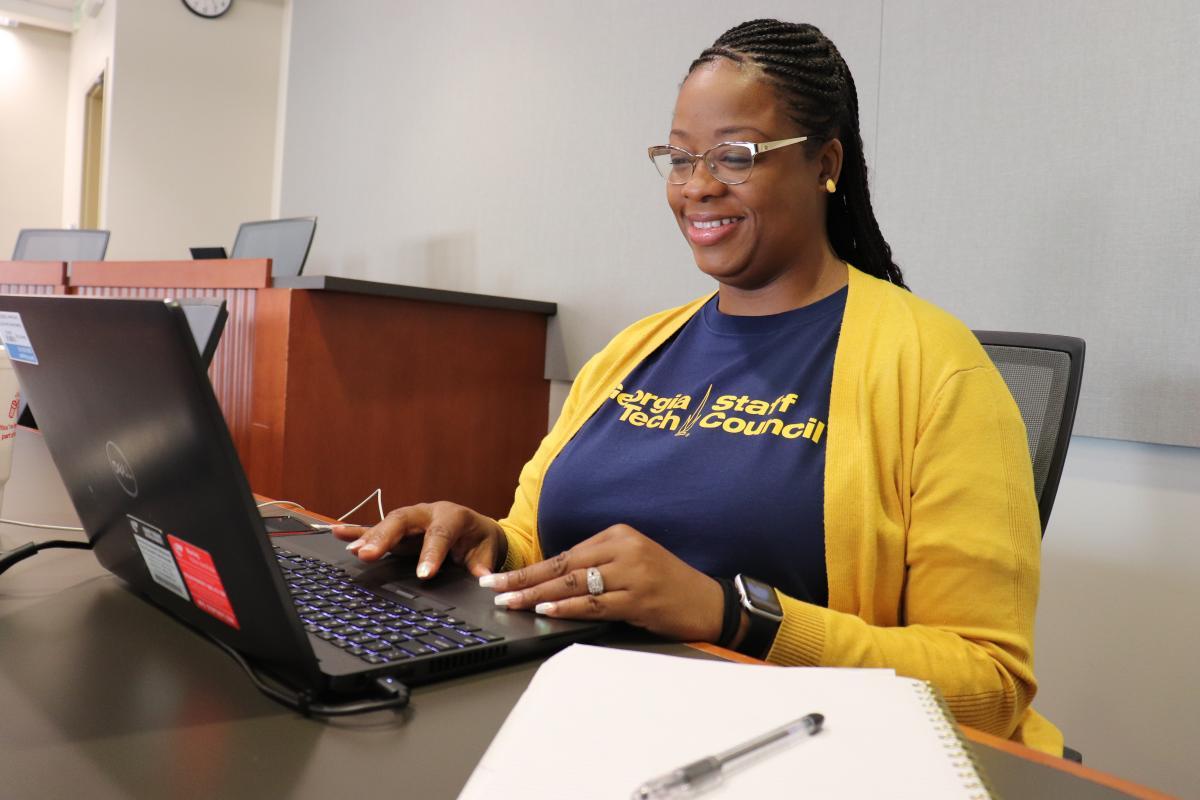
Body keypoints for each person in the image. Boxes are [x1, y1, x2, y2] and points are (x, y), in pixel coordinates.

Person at [335, 19, 1062, 754]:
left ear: (825, 164)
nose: (698, 186)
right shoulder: (632, 351)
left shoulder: (937, 369)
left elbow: (990, 685)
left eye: (735, 155)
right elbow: (537, 541)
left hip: (785, 754)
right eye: (679, 158)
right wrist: (484, 542)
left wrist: (733, 613)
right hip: (574, 722)